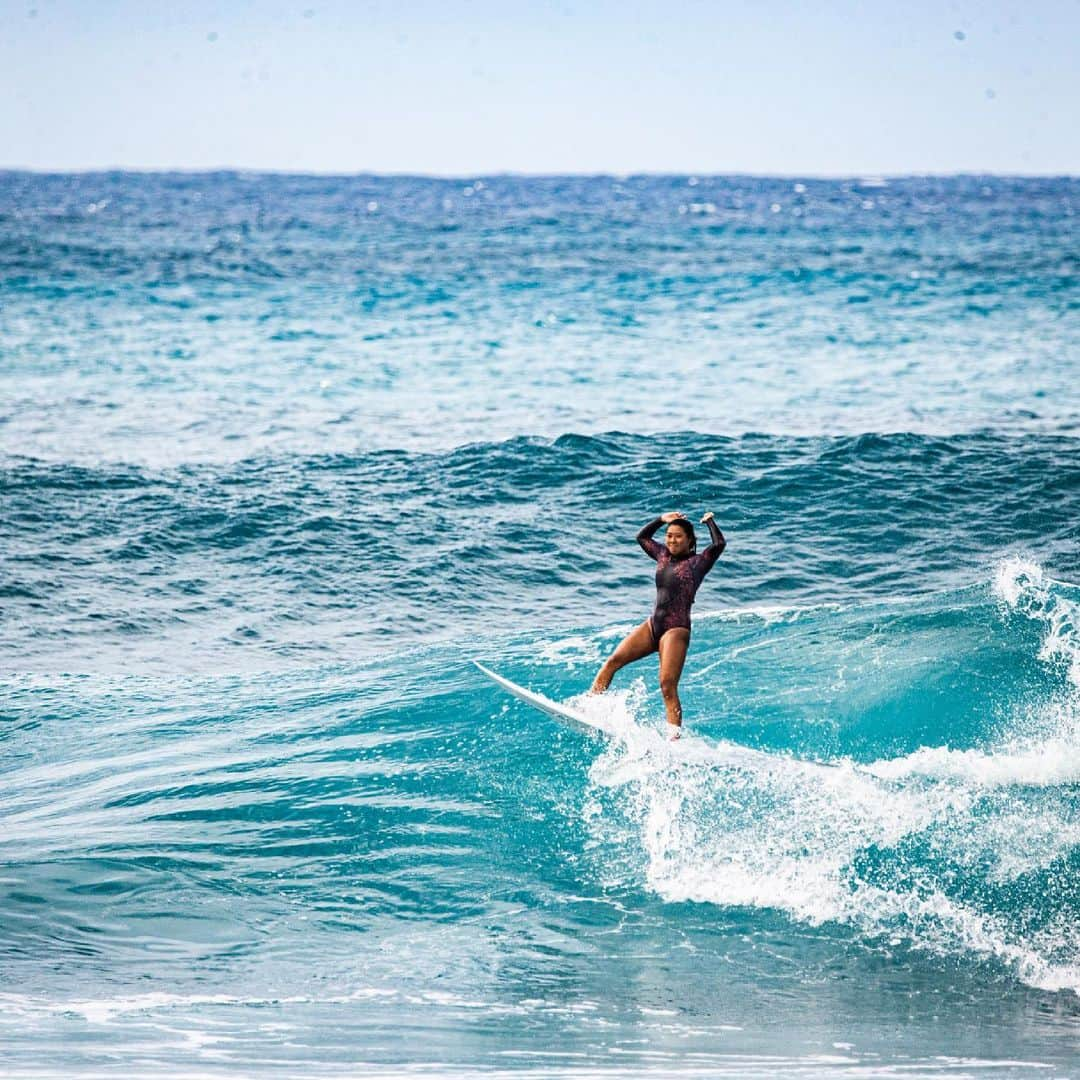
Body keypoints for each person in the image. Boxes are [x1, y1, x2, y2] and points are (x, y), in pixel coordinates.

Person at [590, 511, 726, 737]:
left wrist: (710, 521)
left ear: (690, 541)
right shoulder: (662, 555)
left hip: (676, 629)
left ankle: (674, 738)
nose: (672, 540)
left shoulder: (697, 563)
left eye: (678, 537)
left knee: (667, 685)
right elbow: (642, 538)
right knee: (613, 661)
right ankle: (591, 706)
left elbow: (719, 544)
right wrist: (661, 520)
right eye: (669, 536)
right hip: (653, 625)